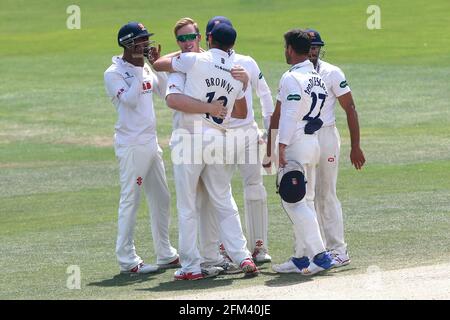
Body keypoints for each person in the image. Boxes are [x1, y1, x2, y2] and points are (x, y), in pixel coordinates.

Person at [153, 23, 259, 280]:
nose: (187, 42)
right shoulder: (237, 71)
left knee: (188, 205)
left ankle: (190, 267)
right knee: (223, 199)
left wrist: (208, 107)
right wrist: (243, 85)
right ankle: (242, 255)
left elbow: (170, 96)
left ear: (206, 38)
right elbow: (242, 113)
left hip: (189, 139)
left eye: (191, 37)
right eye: (182, 38)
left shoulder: (189, 62)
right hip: (218, 140)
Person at [103, 21, 179, 274]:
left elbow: (166, 93)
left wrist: (156, 67)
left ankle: (166, 254)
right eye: (141, 40)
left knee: (162, 198)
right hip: (132, 146)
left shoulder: (144, 68)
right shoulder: (113, 72)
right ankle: (127, 260)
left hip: (151, 143)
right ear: (127, 44)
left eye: (146, 39)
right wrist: (139, 69)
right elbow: (131, 101)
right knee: (131, 200)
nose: (146, 44)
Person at [198, 16, 274, 264]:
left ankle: (258, 246)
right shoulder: (204, 63)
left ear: (210, 38)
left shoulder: (246, 63)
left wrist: (269, 134)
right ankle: (227, 247)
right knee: (221, 192)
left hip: (246, 134)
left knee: (252, 188)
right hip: (221, 136)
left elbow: (265, 95)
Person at [269, 29, 333, 275]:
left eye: (285, 47)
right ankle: (300, 257)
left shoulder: (291, 77)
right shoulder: (316, 76)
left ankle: (320, 254)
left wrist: (280, 146)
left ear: (290, 49)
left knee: (293, 202)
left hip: (296, 143)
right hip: (312, 143)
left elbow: (289, 113)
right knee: (304, 201)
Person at [305, 29, 365, 267]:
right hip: (305, 138)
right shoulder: (295, 74)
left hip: (327, 136)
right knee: (306, 196)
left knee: (326, 194)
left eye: (315, 47)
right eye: (309, 47)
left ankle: (339, 250)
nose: (312, 51)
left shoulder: (332, 72)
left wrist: (356, 146)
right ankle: (314, 251)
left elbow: (350, 108)